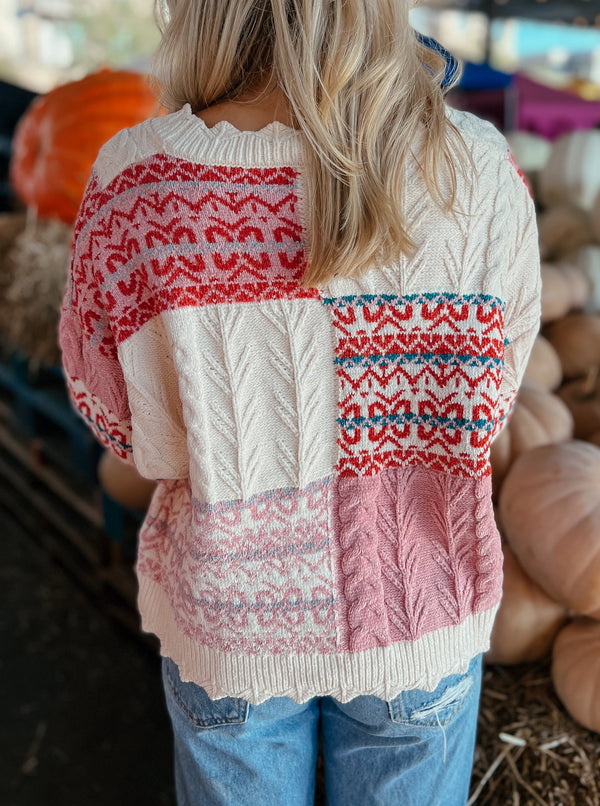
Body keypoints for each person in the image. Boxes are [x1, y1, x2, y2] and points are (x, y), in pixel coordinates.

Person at [59, 1, 541, 804]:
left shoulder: (135, 182)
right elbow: (488, 407)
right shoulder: (481, 171)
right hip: (419, 616)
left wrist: (240, 437)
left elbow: (117, 420)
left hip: (232, 622)